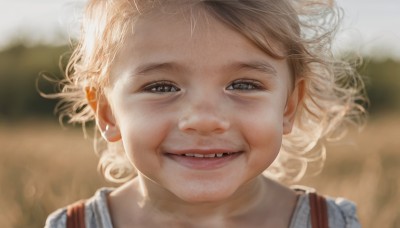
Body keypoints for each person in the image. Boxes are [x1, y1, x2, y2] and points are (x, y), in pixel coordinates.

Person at [45, 0, 366, 227]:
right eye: (161, 87)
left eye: (243, 85)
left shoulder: (330, 223)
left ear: (288, 106)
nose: (205, 120)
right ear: (107, 113)